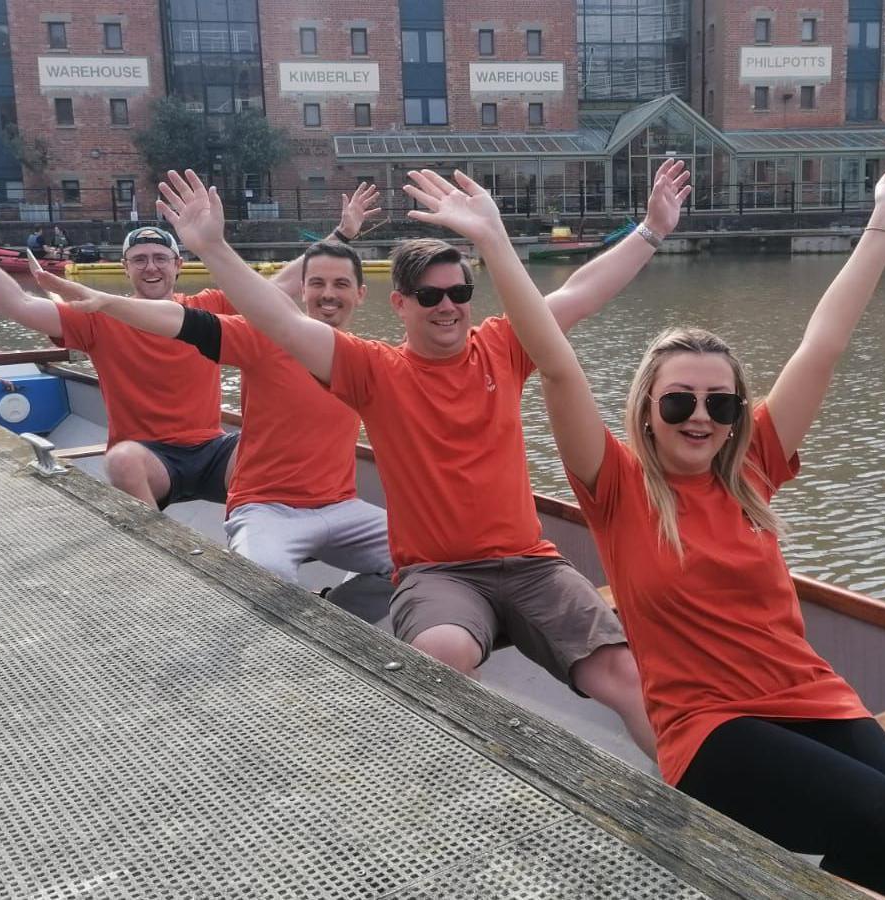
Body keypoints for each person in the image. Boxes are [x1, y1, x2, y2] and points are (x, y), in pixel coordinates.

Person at [404, 161, 885, 899]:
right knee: (882, 822)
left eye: (720, 404)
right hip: (708, 732)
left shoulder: (755, 465)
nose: (701, 418)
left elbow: (823, 344)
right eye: (678, 404)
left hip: (813, 700)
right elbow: (553, 363)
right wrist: (493, 243)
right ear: (647, 409)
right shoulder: (616, 485)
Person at [147, 163, 695, 759]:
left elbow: (580, 294)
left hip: (531, 565)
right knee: (442, 657)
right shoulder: (374, 370)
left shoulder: (503, 347)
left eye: (459, 293)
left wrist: (650, 229)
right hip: (439, 574)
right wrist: (213, 247)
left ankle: (705, 835)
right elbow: (277, 318)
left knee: (629, 676)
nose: (448, 307)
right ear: (400, 304)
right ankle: (484, 781)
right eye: (431, 296)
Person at [0, 176, 382, 510]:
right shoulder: (100, 315)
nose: (151, 267)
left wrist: (341, 235)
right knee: (120, 462)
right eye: (139, 259)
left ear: (178, 265)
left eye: (161, 257)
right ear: (126, 268)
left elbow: (281, 285)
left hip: (213, 449)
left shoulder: (208, 306)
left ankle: (265, 532)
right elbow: (17, 304)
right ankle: (164, 556)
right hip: (150, 458)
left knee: (274, 443)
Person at [32, 238, 394, 592]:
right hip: (266, 509)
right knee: (264, 579)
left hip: (341, 506)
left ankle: (336, 611)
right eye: (317, 283)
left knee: (430, 556)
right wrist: (107, 303)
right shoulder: (262, 337)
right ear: (301, 292)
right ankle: (163, 563)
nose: (328, 294)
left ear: (360, 294)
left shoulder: (370, 359)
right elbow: (184, 320)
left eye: (340, 284)